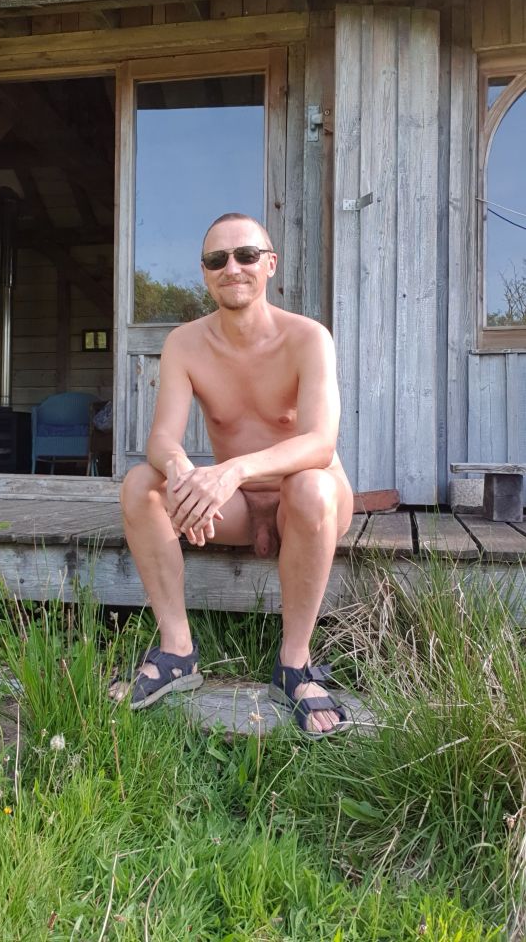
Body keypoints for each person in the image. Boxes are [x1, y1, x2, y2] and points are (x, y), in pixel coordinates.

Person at [109, 213, 354, 737]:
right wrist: (182, 474)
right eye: (217, 260)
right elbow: (161, 439)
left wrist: (229, 470)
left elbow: (320, 442)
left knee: (309, 484)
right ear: (204, 274)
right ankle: (178, 653)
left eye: (245, 255)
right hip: (237, 505)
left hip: (309, 503)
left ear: (270, 264)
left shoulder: (308, 338)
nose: (232, 268)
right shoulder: (185, 344)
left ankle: (294, 664)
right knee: (139, 486)